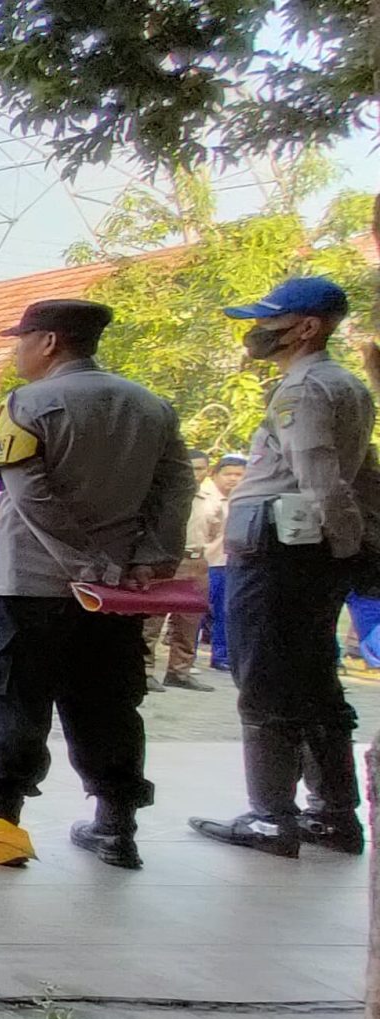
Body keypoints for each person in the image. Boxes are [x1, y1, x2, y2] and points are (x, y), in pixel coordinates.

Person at [0, 300, 188, 869]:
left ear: (51, 342)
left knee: (13, 697)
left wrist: (81, 562)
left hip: (36, 582)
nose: (18, 350)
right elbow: (176, 488)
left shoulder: (27, 403)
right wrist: (144, 559)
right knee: (109, 702)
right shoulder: (152, 407)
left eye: (23, 339)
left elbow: (31, 495)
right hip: (114, 593)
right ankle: (115, 824)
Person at [192, 277, 377, 857]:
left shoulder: (304, 388)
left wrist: (347, 544)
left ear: (307, 327)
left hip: (280, 552)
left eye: (269, 321)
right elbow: (363, 471)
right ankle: (333, 815)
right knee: (314, 680)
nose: (257, 332)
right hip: (303, 552)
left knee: (265, 681)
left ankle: (272, 816)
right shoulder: (346, 385)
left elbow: (322, 476)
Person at [161, 453, 228, 691]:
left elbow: (215, 532)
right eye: (190, 467)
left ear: (207, 472)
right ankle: (145, 669)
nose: (194, 473)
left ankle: (180, 671)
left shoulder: (212, 501)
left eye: (200, 468)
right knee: (153, 618)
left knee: (190, 619)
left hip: (197, 561)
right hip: (168, 560)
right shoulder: (165, 494)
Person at [205, 455, 245, 671]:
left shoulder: (243, 500)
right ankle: (182, 660)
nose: (233, 479)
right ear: (216, 474)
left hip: (231, 563)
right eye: (228, 474)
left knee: (226, 611)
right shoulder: (205, 499)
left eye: (239, 475)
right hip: (207, 563)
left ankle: (221, 655)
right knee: (196, 611)